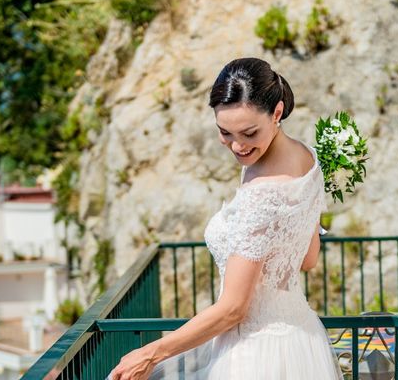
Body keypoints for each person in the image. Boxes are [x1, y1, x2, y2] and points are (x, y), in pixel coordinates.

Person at [109, 57, 342, 380]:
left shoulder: (261, 193)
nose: (237, 146)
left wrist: (150, 354)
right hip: (300, 340)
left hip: (254, 356)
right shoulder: (305, 157)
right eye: (225, 133)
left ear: (277, 112)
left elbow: (233, 308)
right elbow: (308, 258)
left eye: (248, 132)